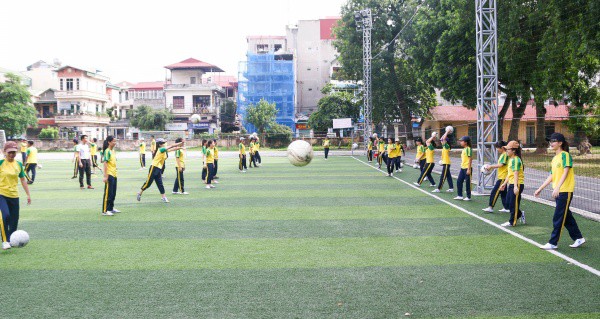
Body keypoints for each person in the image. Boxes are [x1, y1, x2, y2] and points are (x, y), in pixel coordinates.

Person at [535, 133, 585, 249]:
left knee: (558, 216)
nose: (551, 143)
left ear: (560, 143)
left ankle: (553, 242)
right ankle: (579, 238)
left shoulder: (565, 155)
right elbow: (552, 176)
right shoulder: (554, 158)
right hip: (558, 191)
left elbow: (566, 172)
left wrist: (557, 187)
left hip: (565, 191)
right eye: (550, 141)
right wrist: (540, 188)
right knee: (566, 216)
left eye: (554, 141)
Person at [0, 141, 32, 250]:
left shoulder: (18, 164)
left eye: (14, 152)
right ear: (4, 152)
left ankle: (11, 240)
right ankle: (5, 240)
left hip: (14, 195)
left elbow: (23, 180)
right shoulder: (0, 163)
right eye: (9, 152)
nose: (12, 154)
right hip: (1, 194)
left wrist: (28, 194)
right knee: (5, 216)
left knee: (14, 220)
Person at [137, 138, 183, 203]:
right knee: (148, 183)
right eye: (163, 143)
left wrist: (180, 147)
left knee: (160, 183)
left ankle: (164, 197)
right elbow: (172, 146)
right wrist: (179, 144)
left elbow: (172, 149)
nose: (165, 144)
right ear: (160, 144)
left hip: (158, 168)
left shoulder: (164, 150)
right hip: (153, 167)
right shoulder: (161, 149)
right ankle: (139, 193)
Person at [499, 141, 526, 227]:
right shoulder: (511, 160)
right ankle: (520, 213)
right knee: (508, 203)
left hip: (517, 184)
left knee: (513, 204)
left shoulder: (516, 160)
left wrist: (515, 187)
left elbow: (516, 174)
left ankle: (512, 222)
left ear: (513, 150)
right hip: (511, 183)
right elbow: (510, 174)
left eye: (508, 149)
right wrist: (504, 183)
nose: (506, 150)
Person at [482, 141, 509, 213]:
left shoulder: (505, 155)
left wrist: (491, 166)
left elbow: (501, 165)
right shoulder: (503, 154)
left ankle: (490, 207)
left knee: (494, 192)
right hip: (502, 176)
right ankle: (506, 208)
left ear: (502, 148)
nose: (497, 150)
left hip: (503, 177)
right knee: (503, 193)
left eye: (497, 148)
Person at [101, 136, 120, 216]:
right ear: (109, 142)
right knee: (108, 193)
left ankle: (111, 208)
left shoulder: (113, 151)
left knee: (113, 193)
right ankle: (105, 210)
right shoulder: (107, 151)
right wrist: (105, 176)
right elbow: (105, 163)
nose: (115, 143)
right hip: (109, 174)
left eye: (115, 141)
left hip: (114, 174)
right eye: (113, 141)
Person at [454, 136, 472, 201]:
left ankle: (468, 196)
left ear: (466, 142)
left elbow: (470, 159)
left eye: (462, 141)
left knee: (468, 183)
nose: (460, 142)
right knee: (459, 181)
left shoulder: (468, 149)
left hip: (467, 168)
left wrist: (469, 169)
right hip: (462, 168)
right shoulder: (464, 149)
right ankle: (460, 195)